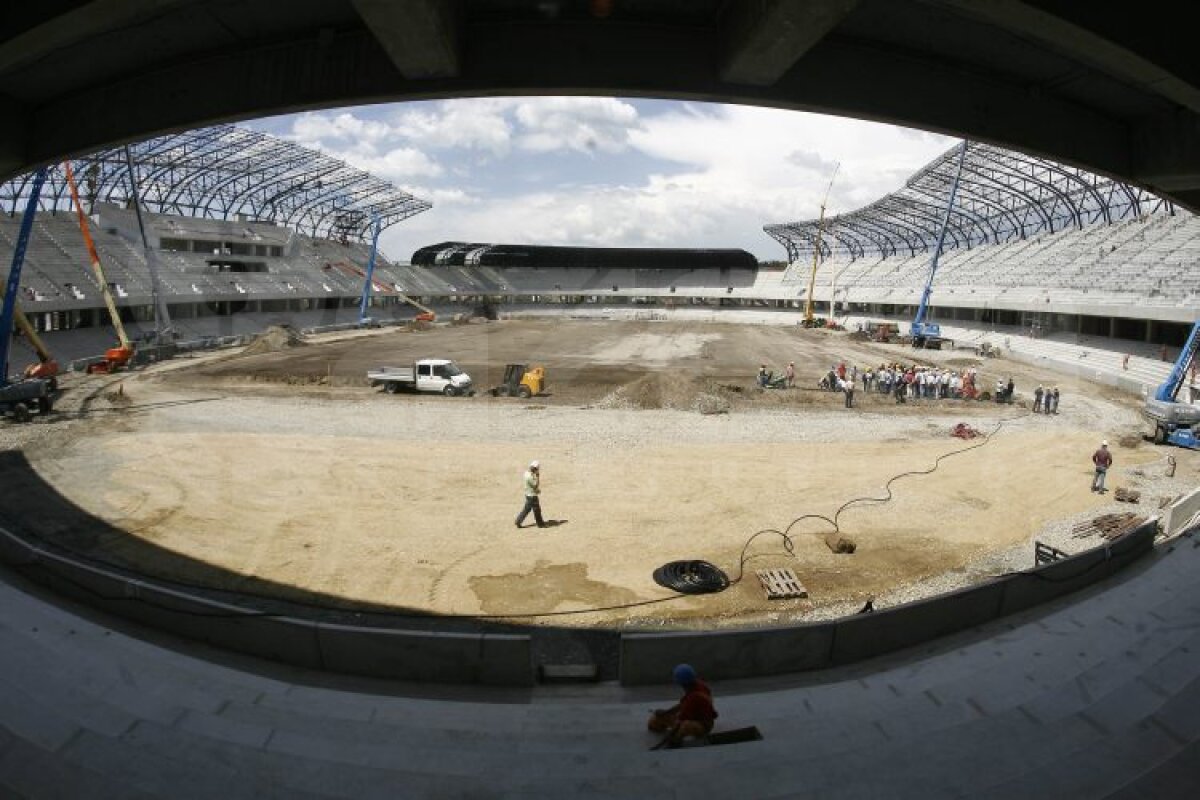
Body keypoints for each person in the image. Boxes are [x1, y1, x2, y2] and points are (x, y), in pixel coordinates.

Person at [647, 664, 718, 748]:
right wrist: (666, 712)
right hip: (692, 718)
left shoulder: (694, 697)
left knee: (684, 726)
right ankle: (666, 731)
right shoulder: (696, 686)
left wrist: (668, 737)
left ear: (681, 683)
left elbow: (681, 720)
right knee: (656, 719)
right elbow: (682, 705)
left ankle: (675, 743)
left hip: (703, 725)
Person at [515, 460, 546, 528]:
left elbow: (531, 486)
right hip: (532, 496)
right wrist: (537, 477)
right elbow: (535, 485)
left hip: (528, 494)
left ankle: (518, 521)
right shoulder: (530, 477)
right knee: (537, 510)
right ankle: (540, 524)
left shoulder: (526, 473)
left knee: (527, 509)